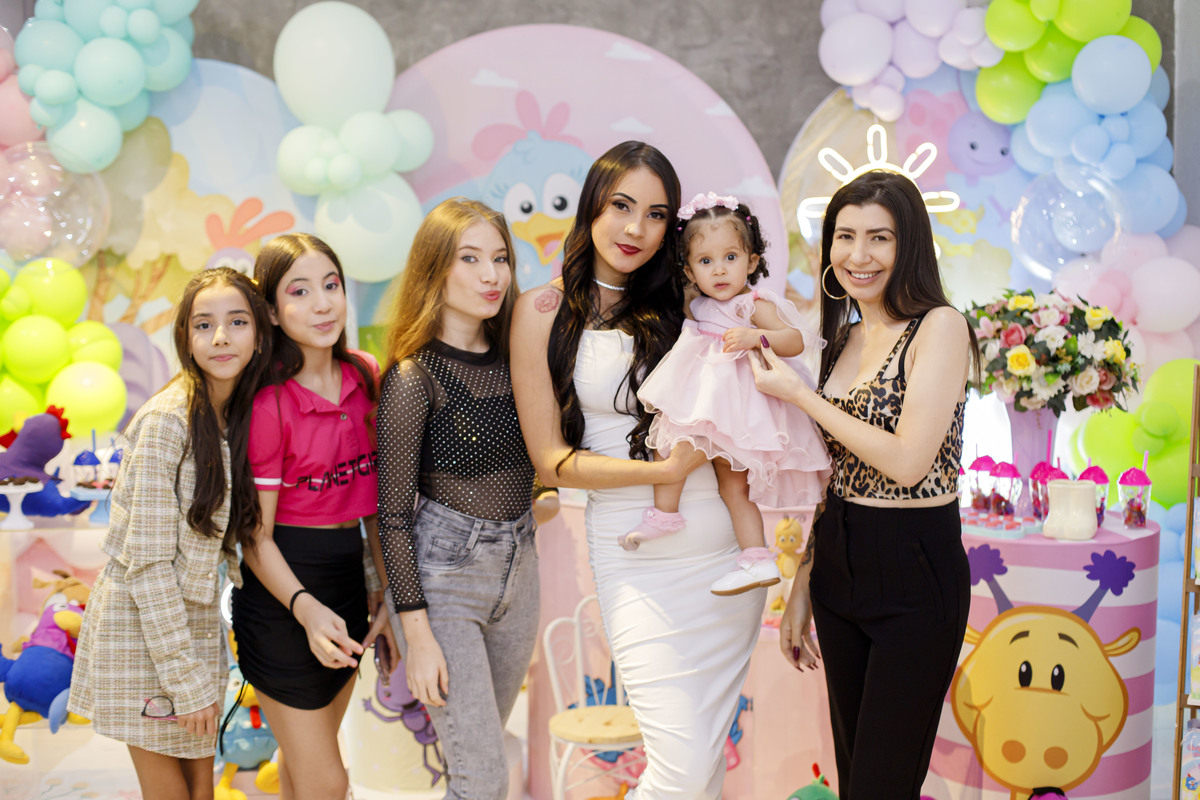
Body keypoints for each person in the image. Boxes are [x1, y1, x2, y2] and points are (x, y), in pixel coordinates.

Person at [511, 140, 764, 799]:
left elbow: (748, 386)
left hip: (722, 549)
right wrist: (663, 472)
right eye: (622, 206)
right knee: (680, 772)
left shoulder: (690, 302)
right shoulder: (542, 312)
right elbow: (551, 462)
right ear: (592, 206)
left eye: (656, 215)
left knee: (702, 773)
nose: (636, 229)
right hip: (634, 549)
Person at [750, 169, 978, 799]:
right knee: (855, 778)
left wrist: (801, 395)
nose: (859, 255)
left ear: (910, 246)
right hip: (838, 562)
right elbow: (836, 474)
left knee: (882, 786)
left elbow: (907, 462)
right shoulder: (843, 337)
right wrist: (802, 580)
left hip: (915, 565)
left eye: (879, 238)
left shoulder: (939, 326)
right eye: (844, 236)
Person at [68, 267, 272, 799]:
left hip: (192, 626)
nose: (221, 337)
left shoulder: (235, 415)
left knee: (202, 790)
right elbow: (149, 566)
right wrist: (185, 680)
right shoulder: (167, 421)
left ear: (260, 333)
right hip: (143, 629)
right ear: (185, 337)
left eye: (237, 322)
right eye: (204, 325)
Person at [375, 198, 536, 800]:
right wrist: (416, 636)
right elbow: (392, 519)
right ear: (435, 269)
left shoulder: (522, 360)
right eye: (470, 259)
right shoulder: (413, 378)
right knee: (482, 779)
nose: (492, 275)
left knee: (479, 761)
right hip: (444, 583)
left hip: (522, 572)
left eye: (500, 258)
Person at [233, 234, 391, 800]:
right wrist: (305, 608)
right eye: (299, 292)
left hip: (347, 585)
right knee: (328, 782)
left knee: (303, 774)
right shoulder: (269, 402)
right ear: (272, 312)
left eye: (331, 285)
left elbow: (377, 508)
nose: (323, 304)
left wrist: (387, 594)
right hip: (281, 599)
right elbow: (255, 537)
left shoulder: (366, 375)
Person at [630, 191, 830, 595]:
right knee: (672, 449)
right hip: (703, 400)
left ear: (752, 262)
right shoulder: (697, 305)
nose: (719, 270)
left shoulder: (752, 304)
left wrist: (757, 336)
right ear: (689, 271)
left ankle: (756, 557)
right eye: (705, 261)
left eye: (731, 257)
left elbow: (794, 340)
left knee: (730, 483)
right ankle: (669, 515)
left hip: (739, 409)